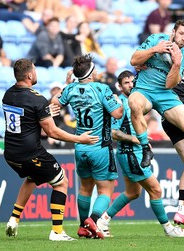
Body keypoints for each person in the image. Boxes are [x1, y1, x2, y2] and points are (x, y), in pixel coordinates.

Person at [2, 58, 99, 241]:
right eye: (35, 70)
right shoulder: (36, 99)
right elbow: (52, 132)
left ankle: (14, 220)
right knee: (62, 182)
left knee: (32, 178)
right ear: (30, 74)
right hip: (30, 153)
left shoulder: (8, 94)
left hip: (10, 153)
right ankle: (57, 231)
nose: (36, 73)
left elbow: (27, 117)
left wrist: (45, 112)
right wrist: (80, 139)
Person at [98, 70, 184, 238]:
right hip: (130, 153)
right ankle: (169, 229)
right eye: (126, 83)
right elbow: (112, 132)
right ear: (119, 86)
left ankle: (102, 221)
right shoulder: (119, 104)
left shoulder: (138, 100)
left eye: (132, 81)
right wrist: (133, 139)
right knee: (156, 190)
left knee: (133, 192)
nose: (131, 84)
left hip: (135, 151)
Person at [128, 19, 184, 174]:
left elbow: (170, 84)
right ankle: (145, 149)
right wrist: (155, 49)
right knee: (134, 102)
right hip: (144, 90)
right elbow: (133, 60)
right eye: (181, 33)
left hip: (165, 94)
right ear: (174, 31)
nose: (183, 37)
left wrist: (176, 63)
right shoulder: (156, 39)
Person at [51, 54, 123, 239]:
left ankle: (83, 227)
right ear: (90, 73)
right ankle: (93, 219)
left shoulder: (72, 89)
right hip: (100, 146)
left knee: (84, 188)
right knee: (106, 190)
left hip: (81, 145)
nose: (98, 70)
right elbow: (116, 113)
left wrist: (67, 85)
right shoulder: (101, 88)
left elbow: (54, 102)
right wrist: (119, 102)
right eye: (95, 68)